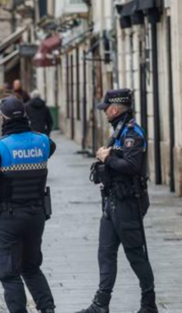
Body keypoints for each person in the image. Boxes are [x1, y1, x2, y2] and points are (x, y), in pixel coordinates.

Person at [76, 89, 157, 313]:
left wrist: (107, 157)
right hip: (112, 201)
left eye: (106, 110)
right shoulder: (119, 131)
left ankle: (149, 303)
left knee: (135, 254)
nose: (104, 113)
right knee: (105, 252)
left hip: (128, 202)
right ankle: (101, 304)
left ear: (114, 109)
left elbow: (132, 167)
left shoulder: (132, 134)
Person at [0, 95, 56, 313]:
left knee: (9, 274)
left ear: (3, 118)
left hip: (8, 217)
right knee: (31, 268)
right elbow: (52, 147)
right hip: (37, 214)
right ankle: (48, 309)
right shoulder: (42, 141)